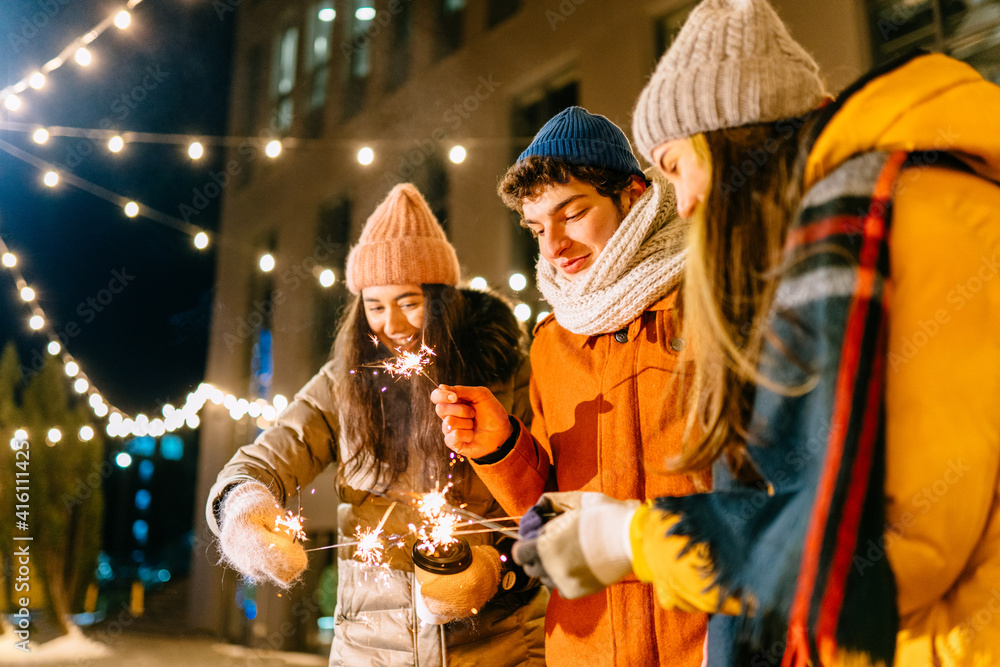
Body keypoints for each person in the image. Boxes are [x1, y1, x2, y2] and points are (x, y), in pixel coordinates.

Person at [509, 1, 1000, 666]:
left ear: (731, 138)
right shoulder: (837, 240)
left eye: (677, 166)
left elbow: (885, 547)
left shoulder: (895, 224)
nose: (681, 201)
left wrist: (634, 537)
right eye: (538, 228)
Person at [206, 183, 547, 667]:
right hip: (370, 654)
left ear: (442, 299)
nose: (391, 324)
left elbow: (557, 505)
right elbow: (264, 460)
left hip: (500, 651)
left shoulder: (509, 377)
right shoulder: (342, 385)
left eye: (409, 302)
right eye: (375, 305)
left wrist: (496, 570)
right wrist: (243, 507)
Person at [431, 106, 707, 666]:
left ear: (632, 195)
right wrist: (501, 447)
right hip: (588, 647)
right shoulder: (553, 343)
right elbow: (549, 516)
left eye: (573, 213)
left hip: (704, 641)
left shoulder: (712, 306)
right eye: (537, 228)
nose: (554, 245)